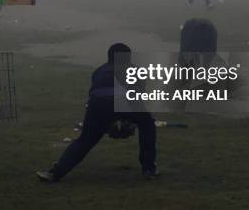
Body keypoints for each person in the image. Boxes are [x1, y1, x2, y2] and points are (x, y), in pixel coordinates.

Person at [36, 43, 158, 182]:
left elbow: (95, 93)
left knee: (86, 139)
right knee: (147, 125)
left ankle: (56, 173)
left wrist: (106, 122)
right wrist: (128, 121)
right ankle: (149, 169)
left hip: (98, 104)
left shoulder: (99, 70)